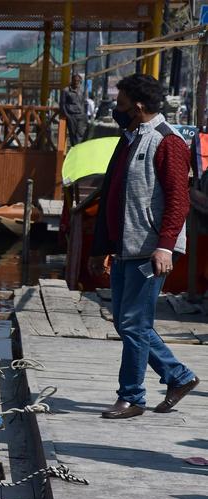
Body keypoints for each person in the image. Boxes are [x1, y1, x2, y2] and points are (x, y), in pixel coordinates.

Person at [89, 74, 199, 420]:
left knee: (134, 323)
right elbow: (112, 194)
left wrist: (165, 246)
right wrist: (101, 248)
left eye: (120, 104)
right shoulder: (130, 139)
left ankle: (132, 397)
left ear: (137, 107)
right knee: (126, 323)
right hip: (126, 246)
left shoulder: (168, 142)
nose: (116, 110)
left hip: (151, 249)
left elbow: (179, 201)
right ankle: (178, 376)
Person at [60, 73, 88, 146]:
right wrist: (67, 116)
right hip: (71, 115)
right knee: (73, 135)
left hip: (80, 115)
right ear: (72, 80)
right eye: (74, 80)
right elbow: (62, 104)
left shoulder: (82, 91)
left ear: (80, 82)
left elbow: (84, 103)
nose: (76, 82)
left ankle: (78, 149)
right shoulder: (65, 91)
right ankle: (74, 148)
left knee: (80, 134)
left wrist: (84, 114)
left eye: (78, 81)